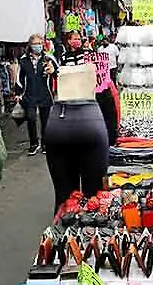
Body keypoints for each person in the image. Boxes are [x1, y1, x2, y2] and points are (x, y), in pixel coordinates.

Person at [45, 33, 109, 212]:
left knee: (64, 195)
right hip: (92, 125)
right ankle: (90, 223)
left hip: (58, 122)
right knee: (93, 194)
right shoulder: (102, 84)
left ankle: (62, 224)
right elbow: (112, 122)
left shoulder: (58, 65)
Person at [14, 34, 56, 156]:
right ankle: (33, 143)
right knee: (31, 118)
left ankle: (45, 144)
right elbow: (19, 78)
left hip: (45, 93)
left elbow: (58, 72)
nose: (38, 46)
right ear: (30, 45)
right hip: (29, 94)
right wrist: (18, 93)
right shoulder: (23, 59)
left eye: (40, 43)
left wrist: (52, 70)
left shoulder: (48, 57)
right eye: (35, 44)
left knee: (45, 121)